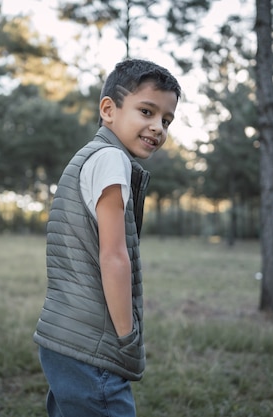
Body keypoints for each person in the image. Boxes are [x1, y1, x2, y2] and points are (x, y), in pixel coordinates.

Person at [33, 58, 181, 417]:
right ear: (109, 110)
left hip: (62, 335)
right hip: (93, 344)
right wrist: (127, 337)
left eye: (166, 120)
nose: (157, 127)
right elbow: (113, 256)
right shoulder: (111, 160)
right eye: (146, 111)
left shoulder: (89, 158)